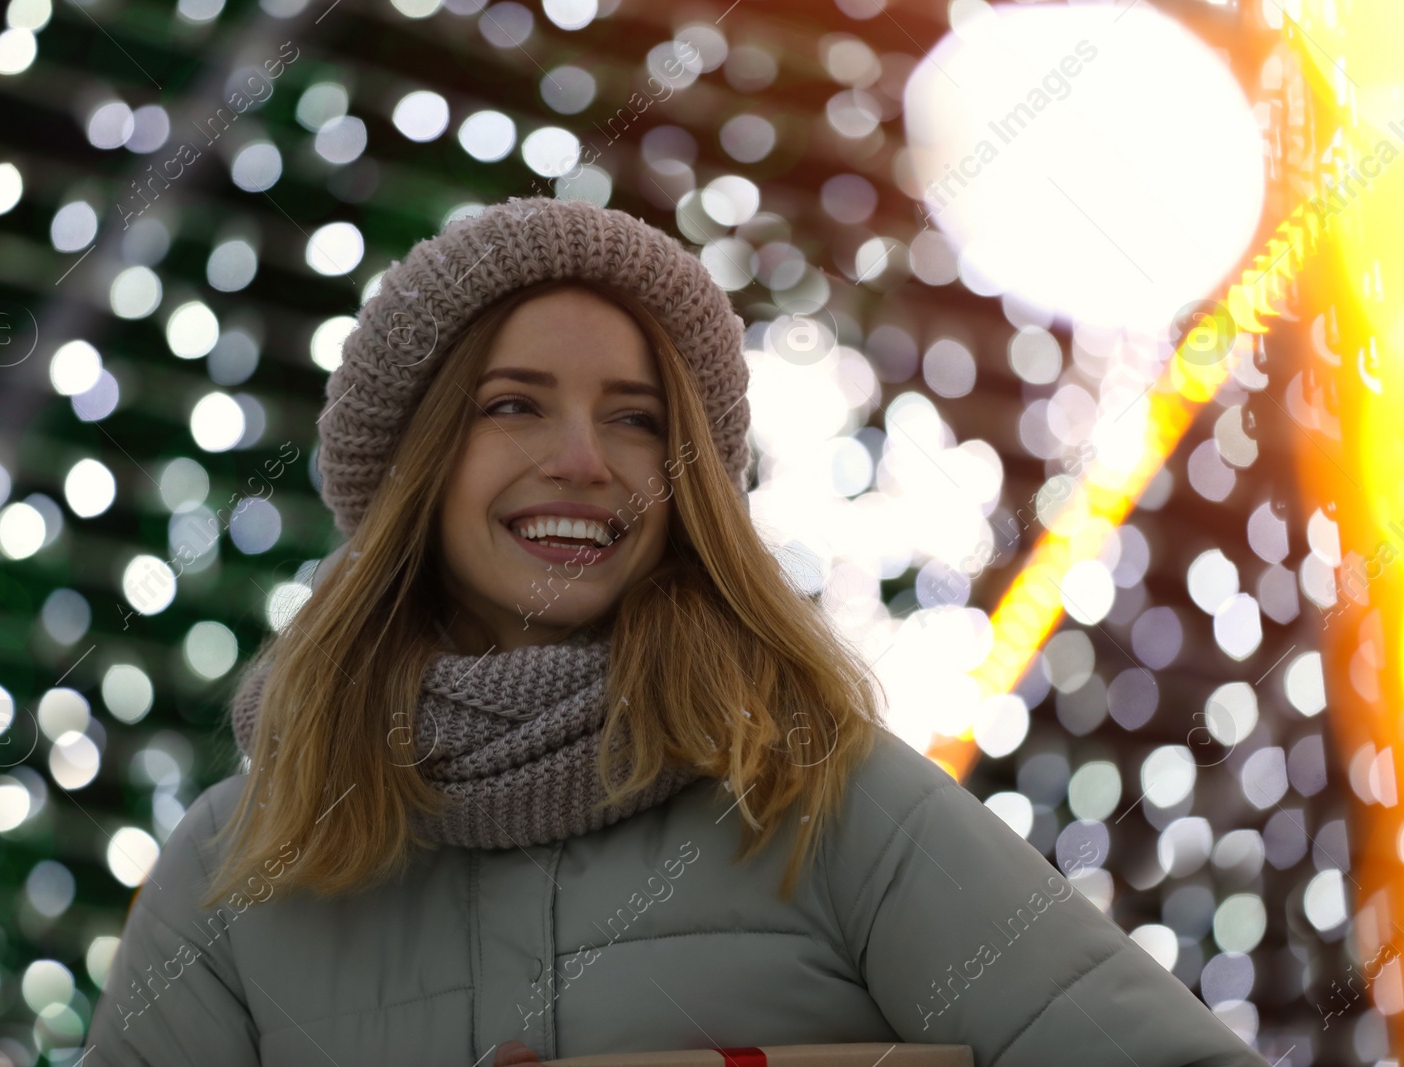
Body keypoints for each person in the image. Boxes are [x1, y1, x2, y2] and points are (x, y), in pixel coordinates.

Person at [84, 195, 1266, 1066]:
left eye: (638, 421)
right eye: (512, 405)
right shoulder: (240, 862)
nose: (585, 462)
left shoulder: (820, 800)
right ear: (413, 463)